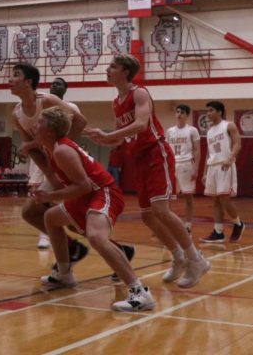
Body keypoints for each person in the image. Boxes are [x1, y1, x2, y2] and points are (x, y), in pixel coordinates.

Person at [83, 55, 211, 290]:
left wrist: (110, 134)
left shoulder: (139, 93)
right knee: (147, 216)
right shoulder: (116, 101)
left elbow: (141, 124)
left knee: (161, 210)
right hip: (138, 158)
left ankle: (196, 259)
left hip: (156, 152)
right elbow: (122, 136)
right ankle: (178, 256)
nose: (108, 70)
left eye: (113, 66)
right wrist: (103, 139)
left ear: (125, 71)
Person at [33, 107, 156, 312]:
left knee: (96, 236)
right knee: (51, 218)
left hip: (103, 191)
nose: (35, 125)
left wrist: (50, 197)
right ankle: (64, 274)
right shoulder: (52, 147)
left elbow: (85, 185)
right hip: (87, 195)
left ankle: (140, 293)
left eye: (40, 122)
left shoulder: (62, 150)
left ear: (50, 131)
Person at [10, 63, 90, 256]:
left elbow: (80, 121)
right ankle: (71, 251)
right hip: (54, 167)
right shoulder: (16, 114)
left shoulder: (46, 101)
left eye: (15, 75)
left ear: (28, 82)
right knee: (32, 212)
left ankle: (116, 250)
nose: (10, 79)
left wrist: (61, 150)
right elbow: (35, 150)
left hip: (71, 163)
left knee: (73, 222)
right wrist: (51, 175)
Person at [201, 101, 245, 244]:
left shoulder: (229, 125)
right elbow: (209, 153)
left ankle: (238, 224)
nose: (208, 113)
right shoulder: (209, 131)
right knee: (216, 200)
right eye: (207, 111)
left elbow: (238, 143)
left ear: (220, 112)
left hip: (225, 165)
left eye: (211, 110)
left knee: (224, 198)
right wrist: (205, 172)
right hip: (213, 166)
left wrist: (230, 158)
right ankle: (218, 232)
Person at [166, 104, 202, 233]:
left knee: (188, 196)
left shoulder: (192, 130)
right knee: (168, 196)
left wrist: (196, 168)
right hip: (172, 164)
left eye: (181, 112)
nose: (179, 114)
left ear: (187, 115)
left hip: (187, 163)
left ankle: (188, 224)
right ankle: (170, 224)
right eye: (177, 112)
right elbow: (166, 150)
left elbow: (197, 150)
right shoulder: (170, 131)